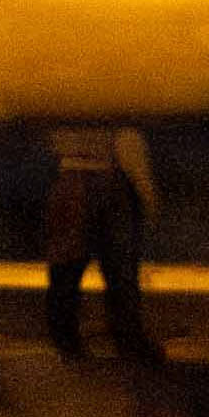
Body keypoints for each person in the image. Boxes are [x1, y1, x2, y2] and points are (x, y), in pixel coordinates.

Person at [39, 125, 170, 378]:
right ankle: (128, 341)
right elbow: (128, 140)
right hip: (109, 178)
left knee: (65, 270)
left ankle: (67, 344)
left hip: (70, 176)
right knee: (120, 272)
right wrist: (146, 193)